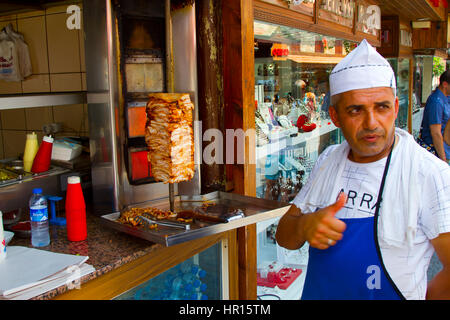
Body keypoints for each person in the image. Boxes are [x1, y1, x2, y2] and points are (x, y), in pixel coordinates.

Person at [275, 39, 450, 300]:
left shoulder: (428, 173)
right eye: (355, 110)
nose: (371, 123)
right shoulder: (329, 160)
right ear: (334, 117)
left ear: (395, 108)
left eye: (382, 107)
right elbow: (284, 237)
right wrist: (304, 226)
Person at [418, 70, 450, 162]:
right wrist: (443, 159)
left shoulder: (445, 98)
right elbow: (435, 133)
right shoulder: (436, 101)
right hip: (435, 151)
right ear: (445, 84)